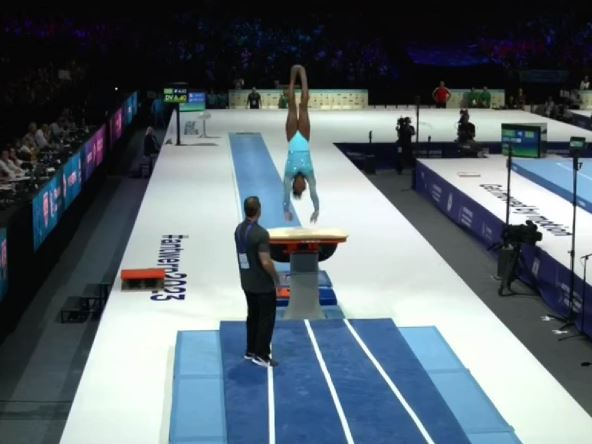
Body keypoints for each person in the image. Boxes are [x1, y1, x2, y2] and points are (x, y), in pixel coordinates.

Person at [234, 196, 280, 368]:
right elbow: (266, 261)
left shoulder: (238, 229)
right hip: (262, 284)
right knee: (266, 319)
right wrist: (276, 277)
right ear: (259, 210)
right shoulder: (261, 234)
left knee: (253, 315)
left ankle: (251, 350)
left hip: (247, 281)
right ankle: (261, 355)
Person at [283, 65, 319, 223]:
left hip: (292, 138)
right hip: (304, 138)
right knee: (304, 104)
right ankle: (303, 74)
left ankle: (292, 77)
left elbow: (285, 195)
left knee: (291, 105)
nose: (304, 186)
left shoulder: (288, 176)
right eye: (304, 187)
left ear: (294, 187)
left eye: (301, 188)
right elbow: (313, 193)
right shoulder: (309, 174)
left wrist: (286, 210)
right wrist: (316, 209)